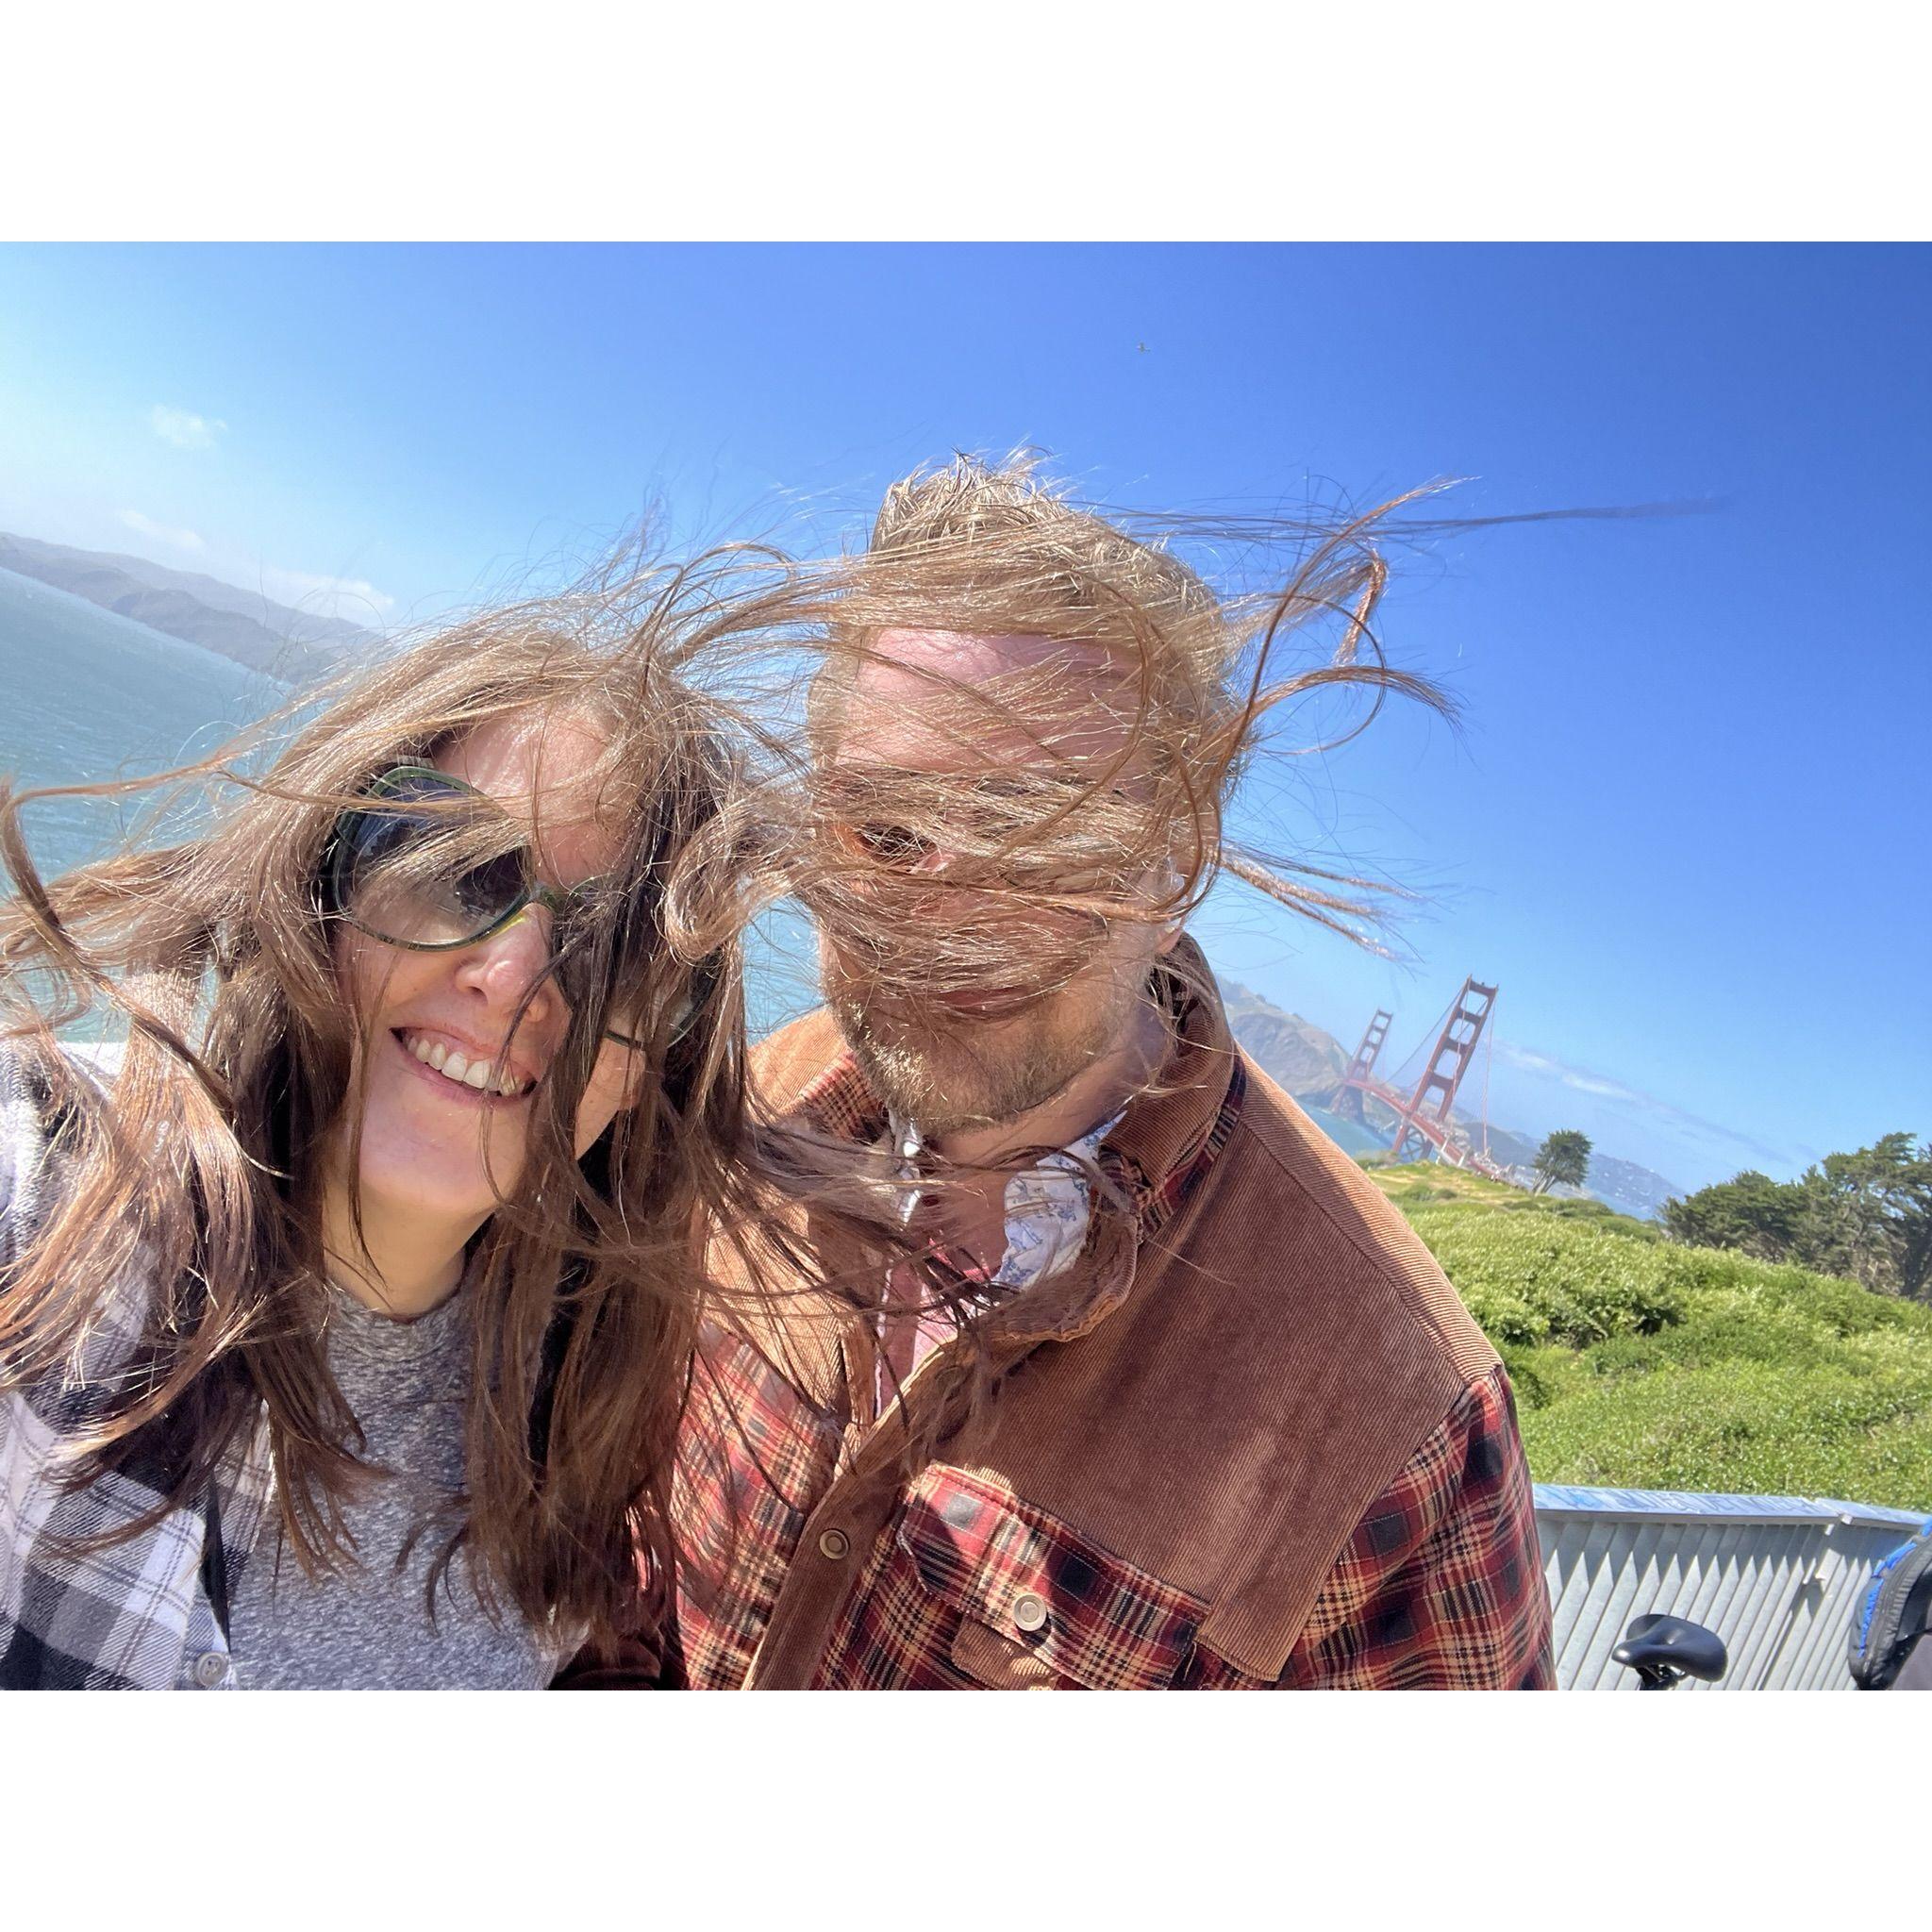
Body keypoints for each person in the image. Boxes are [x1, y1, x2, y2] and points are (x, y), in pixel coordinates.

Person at [662, 456, 1557, 1690]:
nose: (949, 920)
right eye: (889, 832)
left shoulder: (1396, 1423)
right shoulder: (736, 1115)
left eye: (1044, 840)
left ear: (1176, 861)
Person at [0, 572, 747, 1689]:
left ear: (650, 1072)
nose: (514, 977)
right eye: (455, 868)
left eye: (617, 949)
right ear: (325, 879)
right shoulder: (46, 1199)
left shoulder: (574, 1411)